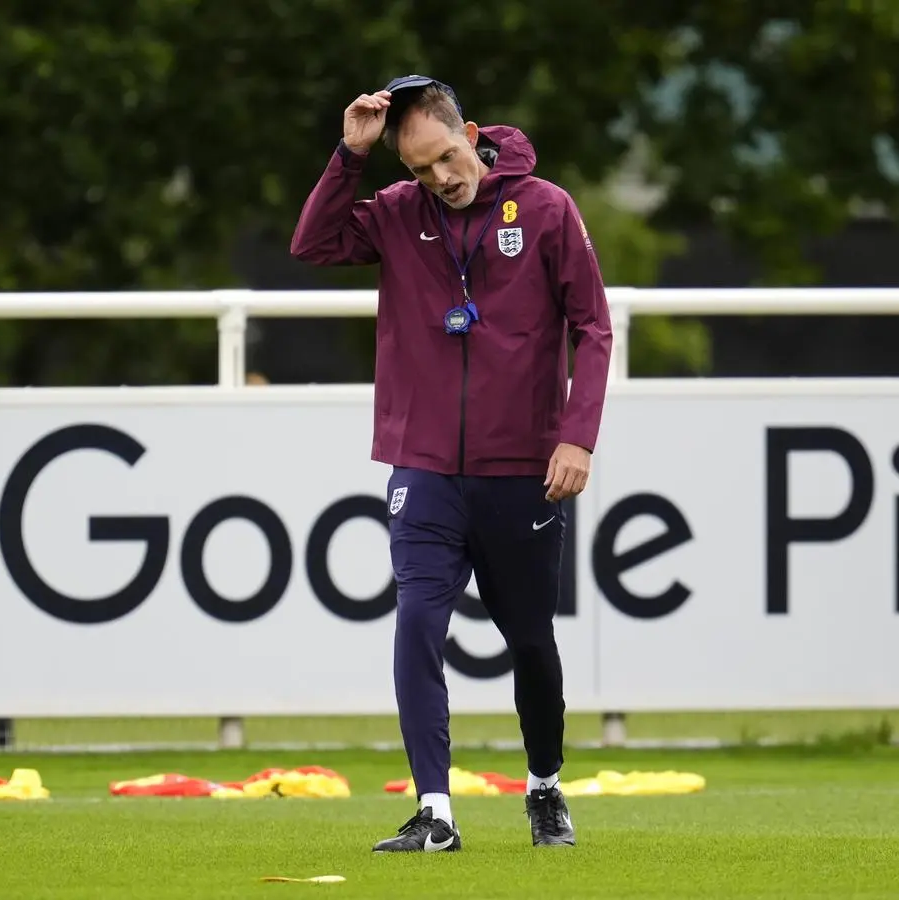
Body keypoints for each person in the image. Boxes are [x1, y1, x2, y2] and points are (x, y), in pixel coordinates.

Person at [290, 75, 613, 852]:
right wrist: (350, 154)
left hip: (521, 469)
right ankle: (435, 810)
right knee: (416, 627)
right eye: (419, 168)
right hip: (423, 466)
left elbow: (592, 327)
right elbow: (313, 243)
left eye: (443, 156)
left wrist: (577, 435)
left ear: (468, 132)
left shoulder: (543, 207)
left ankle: (543, 788)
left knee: (530, 640)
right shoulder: (400, 213)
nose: (439, 177)